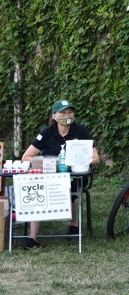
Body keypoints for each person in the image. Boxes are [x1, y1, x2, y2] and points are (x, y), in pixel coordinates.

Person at [21, 99, 100, 249]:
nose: (67, 115)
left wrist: (78, 160)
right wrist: (48, 162)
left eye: (70, 112)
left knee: (74, 185)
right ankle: (32, 238)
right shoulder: (47, 132)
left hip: (74, 175)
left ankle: (74, 224)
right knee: (36, 189)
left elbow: (95, 159)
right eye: (63, 113)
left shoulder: (81, 131)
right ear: (54, 116)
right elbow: (26, 157)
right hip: (49, 175)